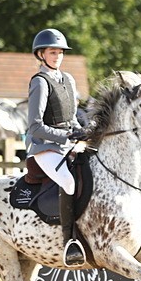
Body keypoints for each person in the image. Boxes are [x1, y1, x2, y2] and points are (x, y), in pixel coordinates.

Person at [25, 28, 88, 267]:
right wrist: (66, 136)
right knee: (69, 181)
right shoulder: (40, 83)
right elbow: (35, 126)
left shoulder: (68, 80)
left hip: (67, 141)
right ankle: (69, 241)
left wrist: (83, 130)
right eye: (52, 52)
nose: (57, 56)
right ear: (41, 54)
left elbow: (70, 117)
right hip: (44, 147)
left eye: (60, 52)